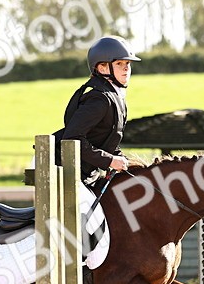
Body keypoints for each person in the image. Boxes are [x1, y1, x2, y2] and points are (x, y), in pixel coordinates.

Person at [55, 35, 141, 188]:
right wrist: (110, 160)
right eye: (119, 63)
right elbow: (72, 138)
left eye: (128, 63)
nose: (126, 68)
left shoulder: (116, 97)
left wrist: (125, 161)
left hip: (83, 171)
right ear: (102, 68)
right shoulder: (99, 99)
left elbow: (107, 140)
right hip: (58, 167)